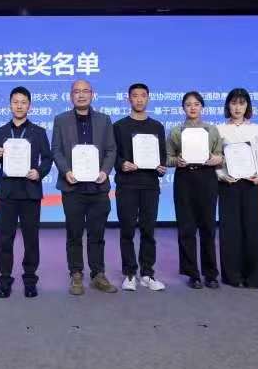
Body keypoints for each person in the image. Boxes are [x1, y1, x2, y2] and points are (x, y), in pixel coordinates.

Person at [51, 79, 118, 295]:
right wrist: (66, 171)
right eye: (76, 91)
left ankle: (98, 274)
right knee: (74, 233)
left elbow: (111, 150)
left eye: (85, 91)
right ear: (71, 95)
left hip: (98, 187)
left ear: (92, 94)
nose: (81, 95)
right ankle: (76, 273)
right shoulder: (61, 120)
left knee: (97, 234)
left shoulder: (104, 120)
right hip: (73, 188)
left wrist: (105, 171)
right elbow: (56, 150)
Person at [0, 86, 53, 298]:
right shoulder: (0, 132)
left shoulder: (38, 132)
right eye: (15, 102)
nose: (19, 106)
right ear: (10, 105)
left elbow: (48, 159)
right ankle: (5, 280)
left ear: (29, 106)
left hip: (30, 192)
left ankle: (30, 280)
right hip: (6, 193)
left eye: (23, 102)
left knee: (31, 239)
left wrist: (39, 172)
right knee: (5, 239)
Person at [113, 83, 169, 292]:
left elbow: (162, 155)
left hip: (150, 185)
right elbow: (113, 154)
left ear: (148, 98)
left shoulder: (157, 127)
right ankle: (129, 273)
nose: (139, 99)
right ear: (128, 99)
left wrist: (162, 167)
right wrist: (122, 164)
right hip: (127, 184)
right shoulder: (119, 126)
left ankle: (147, 273)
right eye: (135, 96)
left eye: (143, 96)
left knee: (148, 230)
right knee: (127, 230)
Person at [166, 91, 223, 289]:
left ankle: (211, 274)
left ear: (202, 107)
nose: (192, 107)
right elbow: (167, 158)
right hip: (184, 178)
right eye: (188, 104)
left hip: (207, 178)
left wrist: (216, 159)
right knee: (186, 228)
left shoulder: (212, 130)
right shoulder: (176, 131)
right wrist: (177, 161)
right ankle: (192, 274)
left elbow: (220, 155)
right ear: (183, 108)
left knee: (208, 227)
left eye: (196, 104)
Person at [215, 89, 258, 287]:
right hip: (228, 184)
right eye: (234, 103)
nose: (237, 108)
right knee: (230, 231)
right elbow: (216, 157)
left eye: (242, 103)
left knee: (253, 230)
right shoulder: (219, 129)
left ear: (247, 106)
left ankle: (253, 277)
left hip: (251, 183)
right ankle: (232, 276)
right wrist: (221, 175)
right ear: (228, 105)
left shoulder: (256, 129)